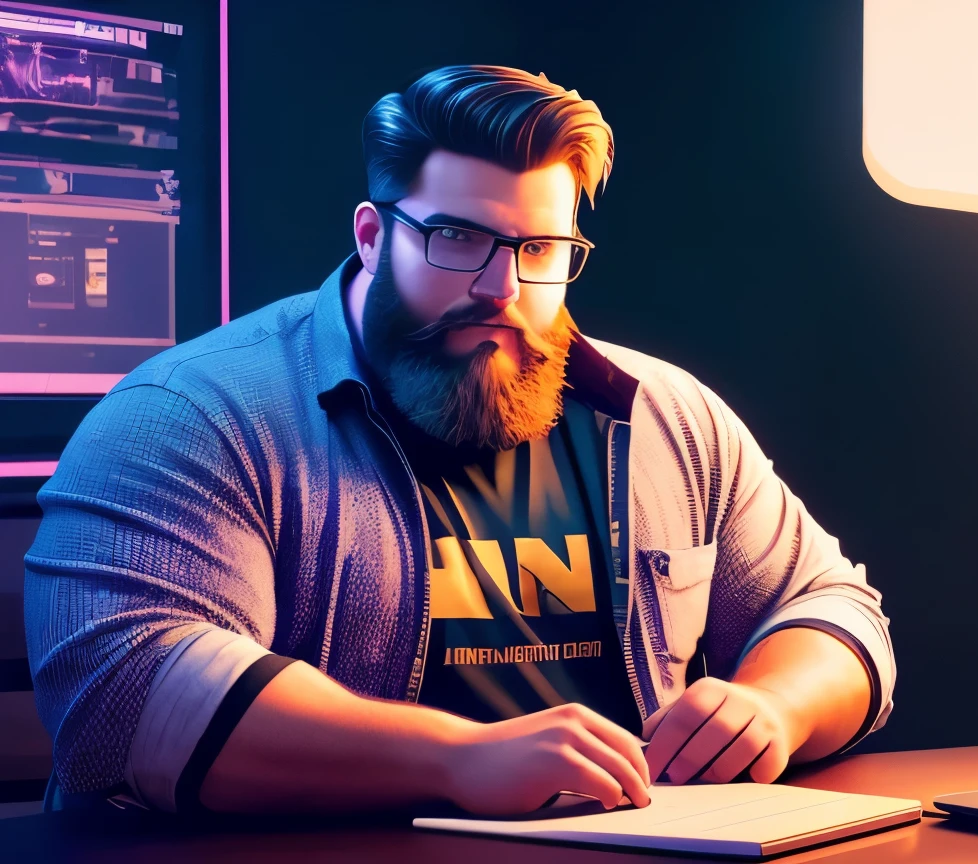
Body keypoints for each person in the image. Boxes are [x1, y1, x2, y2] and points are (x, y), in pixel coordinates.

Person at [23, 65, 894, 816]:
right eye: (458, 238)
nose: (501, 285)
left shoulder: (666, 414)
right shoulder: (192, 412)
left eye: (540, 247)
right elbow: (125, 690)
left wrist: (773, 708)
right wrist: (457, 761)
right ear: (372, 236)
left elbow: (834, 611)